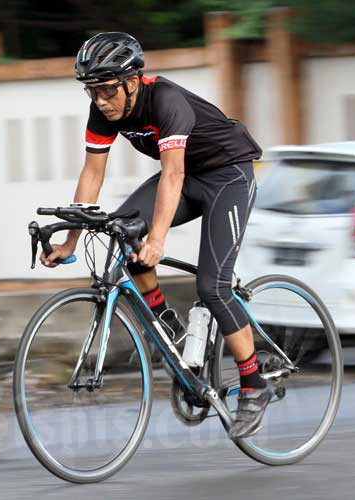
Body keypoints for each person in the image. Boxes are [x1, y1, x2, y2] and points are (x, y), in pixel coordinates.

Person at [39, 32, 267, 439]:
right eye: (92, 91)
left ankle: (254, 384)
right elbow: (92, 173)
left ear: (132, 81)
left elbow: (173, 174)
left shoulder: (166, 100)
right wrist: (70, 241)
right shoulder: (103, 110)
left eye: (107, 89)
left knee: (213, 287)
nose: (100, 100)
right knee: (123, 233)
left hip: (228, 176)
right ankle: (169, 328)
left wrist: (157, 239)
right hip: (189, 178)